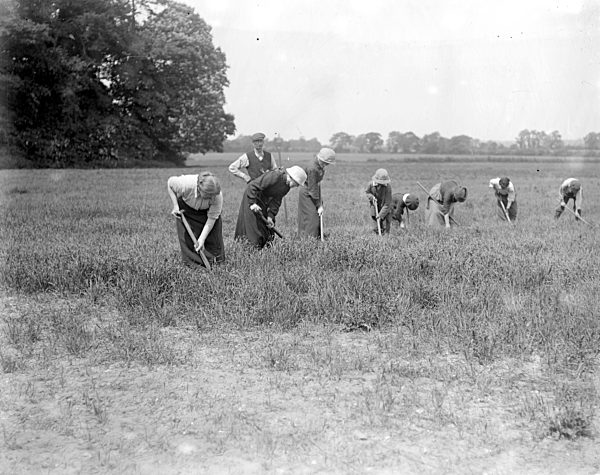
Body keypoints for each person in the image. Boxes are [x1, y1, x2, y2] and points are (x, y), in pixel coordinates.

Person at [235, 166, 307, 249]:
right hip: (252, 197)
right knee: (253, 228)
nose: (297, 186)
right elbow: (252, 186)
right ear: (292, 178)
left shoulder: (286, 187)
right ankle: (249, 247)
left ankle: (264, 248)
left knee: (267, 229)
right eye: (297, 183)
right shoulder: (275, 176)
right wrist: (252, 203)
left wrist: (270, 217)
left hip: (263, 202)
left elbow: (276, 201)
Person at [167, 171, 224, 267]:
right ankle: (194, 266)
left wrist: (201, 239)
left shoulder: (217, 196)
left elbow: (211, 219)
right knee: (189, 240)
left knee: (214, 239)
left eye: (213, 196)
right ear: (199, 189)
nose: (212, 198)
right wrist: (175, 206)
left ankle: (215, 265)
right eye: (209, 196)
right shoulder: (185, 184)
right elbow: (170, 183)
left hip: (207, 213)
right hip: (187, 211)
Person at [297, 147, 336, 238]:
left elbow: (316, 185)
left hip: (313, 190)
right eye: (326, 163)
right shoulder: (312, 168)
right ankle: (309, 239)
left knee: (315, 217)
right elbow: (312, 189)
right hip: (307, 193)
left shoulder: (319, 165)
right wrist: (319, 205)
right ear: (322, 160)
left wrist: (319, 203)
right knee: (311, 217)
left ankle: (316, 236)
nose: (327, 165)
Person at [365, 169, 393, 235]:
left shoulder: (388, 187)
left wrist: (380, 215)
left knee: (385, 229)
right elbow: (367, 192)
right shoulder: (370, 184)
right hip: (375, 207)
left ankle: (385, 241)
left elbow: (387, 203)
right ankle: (378, 240)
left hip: (385, 209)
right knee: (376, 228)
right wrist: (371, 197)